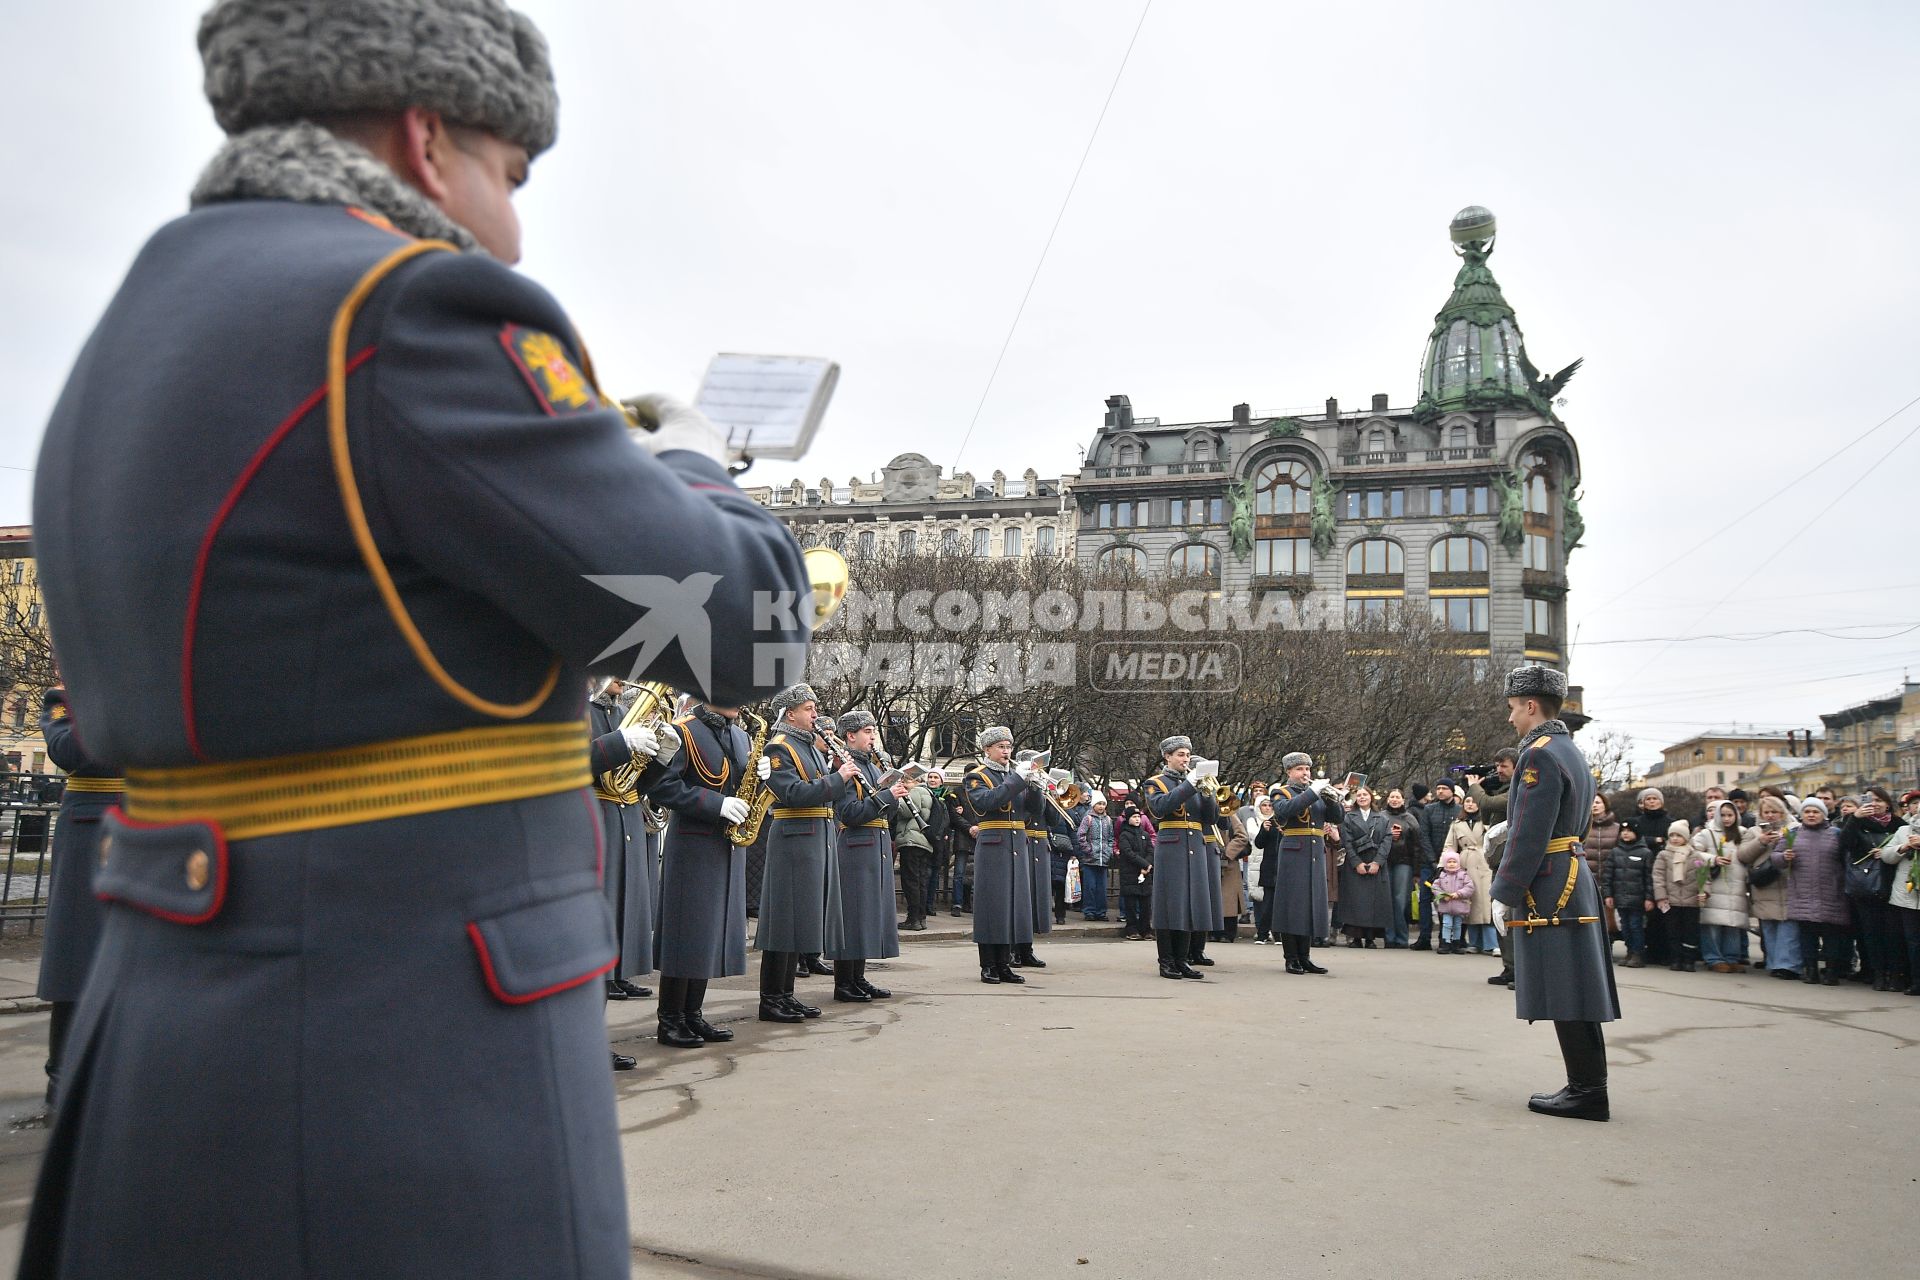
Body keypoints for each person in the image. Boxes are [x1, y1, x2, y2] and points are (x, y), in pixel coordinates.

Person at [21, 2, 814, 1274]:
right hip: (394, 1051)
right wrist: (693, 465)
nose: (513, 216)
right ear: (428, 138)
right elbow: (750, 634)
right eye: (513, 173)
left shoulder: (138, 318)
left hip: (167, 1024)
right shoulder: (415, 305)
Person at [1489, 666, 1618, 1122]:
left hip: (1551, 879)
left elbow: (1529, 832)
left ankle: (1587, 1091)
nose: (1510, 720)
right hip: (1571, 870)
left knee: (1567, 984)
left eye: (1511, 709)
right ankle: (1588, 1085)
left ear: (1529, 705)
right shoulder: (1571, 751)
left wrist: (1504, 889)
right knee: (1578, 983)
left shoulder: (1539, 755)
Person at [33, 689, 122, 1109]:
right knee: (76, 958)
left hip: (154, 822)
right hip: (90, 832)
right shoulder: (64, 699)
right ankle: (62, 1080)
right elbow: (68, 750)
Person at [653, 701, 758, 1047]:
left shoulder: (742, 736)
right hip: (693, 844)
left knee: (708, 934)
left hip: (726, 844)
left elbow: (742, 784)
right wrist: (717, 805)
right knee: (687, 932)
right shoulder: (683, 730)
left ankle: (693, 1015)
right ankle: (670, 1020)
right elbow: (662, 788)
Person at [586, 676, 678, 1068]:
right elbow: (561, 761)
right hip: (590, 823)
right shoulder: (578, 711)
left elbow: (637, 785)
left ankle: (594, 1042)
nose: (625, 678)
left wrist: (660, 759)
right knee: (592, 940)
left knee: (614, 937)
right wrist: (618, 744)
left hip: (623, 824)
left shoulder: (622, 712)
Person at [757, 684, 854, 1023]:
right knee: (784, 921)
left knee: (800, 922)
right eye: (809, 709)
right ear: (790, 713)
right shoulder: (778, 747)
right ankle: (771, 998)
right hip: (795, 837)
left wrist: (835, 772)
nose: (816, 715)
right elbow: (792, 793)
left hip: (813, 837)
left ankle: (786, 995)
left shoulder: (806, 746)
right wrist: (839, 777)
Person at [829, 711, 906, 1002]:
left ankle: (858, 978)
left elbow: (885, 810)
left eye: (873, 732)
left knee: (867, 915)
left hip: (876, 843)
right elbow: (849, 813)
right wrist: (887, 797)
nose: (873, 737)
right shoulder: (846, 767)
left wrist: (895, 796)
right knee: (853, 915)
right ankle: (843, 983)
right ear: (850, 736)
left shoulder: (873, 767)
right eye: (868, 732)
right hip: (855, 844)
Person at [1259, 754, 1342, 975]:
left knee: (1309, 905)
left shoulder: (1317, 793)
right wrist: (1313, 793)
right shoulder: (1281, 792)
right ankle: (1291, 957)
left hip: (1315, 852)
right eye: (1299, 769)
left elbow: (1338, 817)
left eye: (1307, 769)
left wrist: (1333, 798)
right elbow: (1285, 810)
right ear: (1289, 772)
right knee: (1292, 906)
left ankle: (1305, 957)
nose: (1305, 773)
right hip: (1293, 852)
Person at [963, 728, 1034, 984]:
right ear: (987, 750)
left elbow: (1034, 811)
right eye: (1001, 746)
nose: (1006, 751)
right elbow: (986, 802)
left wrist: (1036, 787)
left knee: (1010, 906)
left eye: (1009, 746)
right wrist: (1017, 780)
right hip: (993, 844)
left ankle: (1004, 964)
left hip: (1016, 844)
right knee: (992, 905)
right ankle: (988, 965)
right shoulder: (976, 776)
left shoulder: (1015, 776)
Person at [1143, 737, 1218, 979]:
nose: (1185, 759)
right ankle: (1166, 961)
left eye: (1187, 755)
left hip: (1195, 845)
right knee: (1169, 904)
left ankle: (1182, 960)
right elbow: (1160, 808)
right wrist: (1190, 785)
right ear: (1167, 756)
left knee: (1189, 904)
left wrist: (1208, 794)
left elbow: (1212, 818)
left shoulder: (1194, 782)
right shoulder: (1155, 783)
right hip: (1171, 847)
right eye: (1180, 755)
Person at [1771, 798, 1848, 984]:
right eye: (1807, 812)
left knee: (1831, 936)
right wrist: (1784, 857)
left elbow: (1846, 859)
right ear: (1802, 814)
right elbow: (1775, 857)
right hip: (1803, 892)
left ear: (1823, 814)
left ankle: (1831, 972)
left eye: (1816, 812)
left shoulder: (1836, 834)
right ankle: (1810, 970)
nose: (1811, 815)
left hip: (1831, 891)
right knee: (1807, 935)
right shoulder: (1792, 834)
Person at [1840, 785, 1905, 991]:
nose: (1874, 804)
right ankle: (1877, 973)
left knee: (1893, 935)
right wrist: (1855, 818)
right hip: (1866, 886)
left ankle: (1895, 974)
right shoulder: (1858, 823)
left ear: (1888, 803)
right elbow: (1845, 844)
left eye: (1879, 800)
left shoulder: (1899, 825)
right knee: (1871, 933)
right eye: (1870, 800)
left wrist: (1888, 851)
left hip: (1892, 884)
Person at [1737, 794, 1800, 978]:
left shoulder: (1795, 829)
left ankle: (1788, 965)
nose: (1771, 815)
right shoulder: (1754, 832)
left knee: (1789, 928)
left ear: (1783, 812)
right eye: (1767, 812)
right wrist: (1761, 842)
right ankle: (1774, 963)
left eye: (1775, 812)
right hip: (1765, 885)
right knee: (1770, 928)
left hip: (1788, 883)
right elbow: (1743, 856)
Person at [1694, 800, 1751, 972]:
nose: (1726, 819)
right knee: (1713, 924)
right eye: (1723, 815)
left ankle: (1732, 957)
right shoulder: (1706, 833)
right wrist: (1713, 859)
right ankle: (1714, 958)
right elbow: (1693, 853)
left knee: (1732, 924)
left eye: (1730, 815)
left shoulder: (1743, 833)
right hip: (1715, 883)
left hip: (1736, 884)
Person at [1600, 807, 1655, 968]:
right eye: (1623, 831)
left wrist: (1649, 897)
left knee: (1636, 926)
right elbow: (1608, 876)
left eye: (1629, 831)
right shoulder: (1615, 852)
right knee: (1624, 926)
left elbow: (1649, 878)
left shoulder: (1645, 853)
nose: (1625, 834)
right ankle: (1630, 951)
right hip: (1620, 897)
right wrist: (1608, 895)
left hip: (1637, 899)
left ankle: (1638, 952)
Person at [1339, 787, 1393, 947]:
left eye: (1365, 794)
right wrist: (1357, 863)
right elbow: (1347, 842)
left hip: (1376, 862)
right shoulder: (1349, 818)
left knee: (1374, 902)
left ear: (1371, 797)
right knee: (1356, 901)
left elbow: (1387, 840)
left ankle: (1370, 938)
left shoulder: (1382, 818)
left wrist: (1378, 862)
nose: (1362, 797)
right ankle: (1356, 937)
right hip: (1356, 863)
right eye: (1359, 795)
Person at [1444, 795, 1497, 955]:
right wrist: (1443, 865)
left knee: (1486, 902)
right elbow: (1449, 846)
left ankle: (1492, 943)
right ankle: (1474, 942)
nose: (1470, 804)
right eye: (1467, 801)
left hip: (1485, 862)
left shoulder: (1487, 821)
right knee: (1470, 903)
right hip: (1465, 863)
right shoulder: (1457, 824)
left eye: (1474, 801)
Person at [1652, 820, 1706, 972]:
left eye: (1679, 835)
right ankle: (1675, 959)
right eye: (1672, 835)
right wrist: (1661, 896)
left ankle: (1689, 960)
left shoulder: (1695, 855)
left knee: (1690, 932)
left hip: (1691, 901)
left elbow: (1703, 875)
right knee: (1673, 931)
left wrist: (1704, 891)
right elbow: (1658, 877)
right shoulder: (1663, 855)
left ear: (1686, 837)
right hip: (1671, 901)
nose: (1675, 838)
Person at [1413, 780, 1460, 950]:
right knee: (1425, 898)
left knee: (1447, 900)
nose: (1440, 791)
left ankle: (1446, 938)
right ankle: (1424, 937)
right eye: (1438, 788)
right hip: (1429, 863)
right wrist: (1433, 861)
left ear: (1452, 791)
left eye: (1444, 788)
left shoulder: (1458, 811)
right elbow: (1423, 836)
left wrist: (1449, 862)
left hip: (1452, 865)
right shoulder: (1429, 809)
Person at [892, 768, 937, 932]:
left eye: (905, 781)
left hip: (912, 840)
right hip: (923, 841)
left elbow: (904, 810)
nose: (903, 784)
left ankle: (913, 919)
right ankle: (921, 918)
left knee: (911, 881)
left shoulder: (917, 792)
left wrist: (897, 797)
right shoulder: (927, 792)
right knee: (921, 881)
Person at [1381, 787, 1425, 948]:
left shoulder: (1410, 819)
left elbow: (1417, 846)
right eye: (1391, 797)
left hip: (1404, 863)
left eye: (1397, 797)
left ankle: (1401, 937)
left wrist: (1416, 870)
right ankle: (1389, 936)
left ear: (1402, 800)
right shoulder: (1381, 817)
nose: (1394, 800)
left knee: (1400, 900)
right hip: (1384, 862)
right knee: (1387, 900)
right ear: (1387, 799)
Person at [1888, 792, 1920, 996]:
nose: (1917, 808)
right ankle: (1915, 980)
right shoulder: (1902, 830)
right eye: (1914, 804)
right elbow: (1886, 856)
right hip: (1907, 895)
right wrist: (1904, 846)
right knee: (1912, 941)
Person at [1115, 805, 1155, 940]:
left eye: (1139, 817)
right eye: (1134, 817)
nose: (1137, 819)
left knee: (1145, 904)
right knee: (1131, 904)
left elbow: (1151, 850)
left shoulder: (1145, 834)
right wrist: (1144, 864)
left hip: (1145, 873)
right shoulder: (1124, 835)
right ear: (1128, 819)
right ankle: (1132, 929)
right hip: (1130, 873)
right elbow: (1128, 853)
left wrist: (1148, 865)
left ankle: (1146, 929)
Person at [1076, 795, 1116, 923]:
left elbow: (1111, 838)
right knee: (1090, 887)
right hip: (1090, 860)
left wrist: (1108, 851)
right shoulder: (1087, 819)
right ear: (1094, 805)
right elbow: (1081, 836)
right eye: (1099, 804)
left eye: (1103, 804)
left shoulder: (1108, 820)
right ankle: (1089, 911)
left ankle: (1101, 912)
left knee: (1102, 888)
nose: (1101, 806)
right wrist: (1089, 850)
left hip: (1103, 859)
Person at [1432, 851, 1475, 953]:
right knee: (1446, 924)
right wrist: (1442, 895)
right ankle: (1445, 943)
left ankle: (1456, 944)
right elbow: (1435, 887)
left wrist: (1459, 894)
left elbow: (1469, 888)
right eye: (1449, 862)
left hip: (1459, 907)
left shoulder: (1464, 875)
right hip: (1446, 907)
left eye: (1454, 862)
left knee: (1457, 925)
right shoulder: (1442, 876)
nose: (1451, 864)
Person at [946, 788, 974, 916]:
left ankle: (969, 902)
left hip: (978, 836)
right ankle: (957, 903)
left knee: (974, 874)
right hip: (963, 838)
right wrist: (970, 828)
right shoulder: (957, 793)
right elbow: (954, 816)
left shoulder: (983, 790)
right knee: (959, 873)